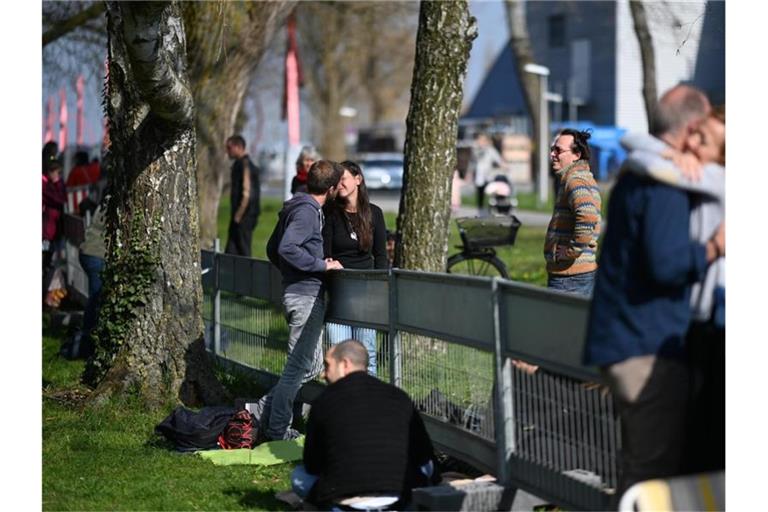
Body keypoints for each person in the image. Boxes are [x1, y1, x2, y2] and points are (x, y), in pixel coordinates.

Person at [583, 84, 725, 496]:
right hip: (646, 344)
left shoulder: (646, 172)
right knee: (652, 475)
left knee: (646, 469)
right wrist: (714, 247)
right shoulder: (666, 183)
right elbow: (667, 265)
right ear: (692, 127)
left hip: (627, 337)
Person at [620, 105, 726, 475]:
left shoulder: (716, 178)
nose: (692, 144)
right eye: (694, 132)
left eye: (704, 140)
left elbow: (640, 158)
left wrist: (666, 153)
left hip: (713, 328)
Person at [291, 340, 439, 509]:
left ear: (345, 364)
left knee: (299, 475)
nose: (323, 374)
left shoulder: (324, 402)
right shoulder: (399, 397)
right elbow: (424, 455)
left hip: (345, 495)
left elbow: (312, 464)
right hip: (398, 494)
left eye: (327, 366)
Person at [261, 160, 344, 441]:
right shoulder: (307, 213)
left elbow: (272, 249)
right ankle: (273, 426)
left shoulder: (295, 206)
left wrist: (295, 268)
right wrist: (320, 266)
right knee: (299, 368)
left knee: (309, 367)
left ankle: (262, 414)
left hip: (298, 291)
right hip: (305, 296)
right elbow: (286, 248)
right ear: (331, 189)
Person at [322, 160, 388, 375]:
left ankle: (369, 401)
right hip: (338, 293)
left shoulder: (375, 214)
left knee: (365, 353)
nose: (339, 185)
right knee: (339, 354)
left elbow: (380, 256)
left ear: (358, 179)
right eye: (336, 181)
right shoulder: (330, 214)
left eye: (343, 179)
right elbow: (325, 253)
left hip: (365, 296)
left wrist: (379, 291)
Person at [543, 129, 602, 297]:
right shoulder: (581, 177)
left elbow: (587, 215)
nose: (553, 154)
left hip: (569, 277)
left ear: (576, 154)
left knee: (557, 324)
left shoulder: (575, 180)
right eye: (552, 149)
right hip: (578, 274)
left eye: (558, 150)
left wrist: (571, 251)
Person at [224, 134, 261, 257]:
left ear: (238, 147)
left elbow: (247, 193)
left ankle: (248, 276)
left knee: (243, 252)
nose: (227, 151)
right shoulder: (239, 164)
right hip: (240, 216)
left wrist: (238, 215)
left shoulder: (244, 165)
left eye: (229, 148)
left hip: (244, 216)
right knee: (231, 252)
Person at [43, 159, 67, 296]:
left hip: (52, 231)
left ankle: (49, 293)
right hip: (49, 231)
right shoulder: (50, 187)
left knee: (49, 260)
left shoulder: (54, 186)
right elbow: (60, 200)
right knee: (48, 260)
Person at [470, 132, 504, 213]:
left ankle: (491, 210)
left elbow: (498, 159)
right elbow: (474, 160)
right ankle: (480, 211)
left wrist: (503, 166)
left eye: (483, 140)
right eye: (480, 140)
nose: (481, 141)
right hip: (479, 176)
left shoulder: (490, 150)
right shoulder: (475, 149)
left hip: (489, 176)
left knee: (490, 193)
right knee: (480, 194)